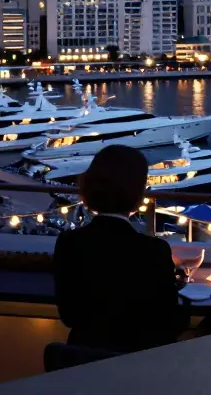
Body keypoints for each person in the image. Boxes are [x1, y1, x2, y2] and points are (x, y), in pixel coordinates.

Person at [52, 144, 186, 353]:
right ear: (137, 193)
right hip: (137, 365)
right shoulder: (154, 250)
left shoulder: (68, 242)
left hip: (82, 361)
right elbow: (167, 323)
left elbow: (68, 316)